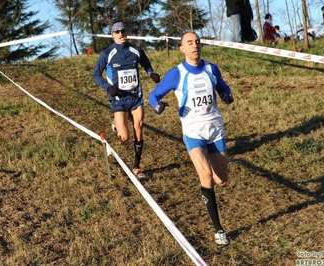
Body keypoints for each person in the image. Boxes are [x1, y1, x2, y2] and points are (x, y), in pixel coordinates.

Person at [148, 32, 234, 245]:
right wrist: (157, 106)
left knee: (221, 180)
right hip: (193, 131)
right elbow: (153, 96)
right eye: (190, 43)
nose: (195, 45)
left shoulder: (211, 69)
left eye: (197, 42)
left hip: (215, 129)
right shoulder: (176, 74)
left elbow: (223, 87)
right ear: (182, 48)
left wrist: (227, 95)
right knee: (205, 176)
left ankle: (209, 184)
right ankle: (218, 229)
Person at [92, 18, 160, 178]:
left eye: (123, 31)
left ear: (127, 32)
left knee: (139, 128)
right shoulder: (107, 53)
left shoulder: (136, 50)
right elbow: (95, 74)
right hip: (118, 99)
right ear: (112, 34)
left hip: (135, 96)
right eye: (117, 32)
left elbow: (146, 65)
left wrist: (151, 74)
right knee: (124, 137)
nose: (121, 34)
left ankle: (137, 167)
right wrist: (108, 88)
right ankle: (116, 123)